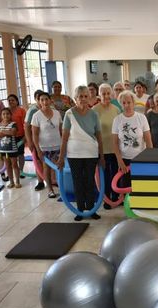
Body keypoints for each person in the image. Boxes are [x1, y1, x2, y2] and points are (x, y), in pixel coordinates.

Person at [58, 85, 104, 220]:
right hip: (74, 154)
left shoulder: (94, 114)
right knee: (77, 182)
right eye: (80, 97)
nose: (83, 99)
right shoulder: (69, 114)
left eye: (85, 96)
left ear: (89, 98)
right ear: (75, 98)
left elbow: (99, 136)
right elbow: (64, 137)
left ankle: (91, 209)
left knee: (90, 182)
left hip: (91, 153)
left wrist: (101, 156)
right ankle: (80, 210)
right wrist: (61, 157)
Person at [112, 90, 153, 188]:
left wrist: (149, 159)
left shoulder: (142, 118)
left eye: (129, 102)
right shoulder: (117, 120)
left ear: (133, 103)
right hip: (125, 160)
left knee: (141, 187)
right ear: (120, 104)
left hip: (141, 158)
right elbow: (114, 143)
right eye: (124, 103)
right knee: (126, 188)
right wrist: (120, 161)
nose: (126, 105)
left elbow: (148, 141)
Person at [93, 83, 121, 209]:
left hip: (115, 148)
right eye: (103, 93)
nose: (106, 96)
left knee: (115, 174)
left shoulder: (116, 109)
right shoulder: (94, 110)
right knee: (104, 175)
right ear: (99, 95)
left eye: (108, 93)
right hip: (101, 149)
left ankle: (115, 197)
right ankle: (107, 199)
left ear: (112, 94)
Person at [31, 92, 62, 198]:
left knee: (59, 167)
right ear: (39, 102)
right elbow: (34, 135)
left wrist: (64, 144)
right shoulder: (36, 116)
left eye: (46, 99)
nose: (44, 102)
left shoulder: (57, 113)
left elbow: (61, 130)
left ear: (50, 100)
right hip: (45, 147)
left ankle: (61, 188)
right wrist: (38, 150)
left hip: (58, 145)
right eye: (42, 100)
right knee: (47, 168)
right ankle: (50, 189)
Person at [24, 90, 46, 191]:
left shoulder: (49, 108)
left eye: (44, 99)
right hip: (36, 140)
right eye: (39, 99)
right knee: (38, 161)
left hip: (48, 140)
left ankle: (53, 181)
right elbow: (27, 126)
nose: (42, 101)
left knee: (49, 162)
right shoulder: (32, 110)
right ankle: (40, 181)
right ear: (36, 99)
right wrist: (30, 141)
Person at [0, 108, 20, 188]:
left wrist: (2, 132)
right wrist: (6, 132)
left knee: (14, 164)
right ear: (1, 116)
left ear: (10, 115)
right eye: (4, 114)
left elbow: (13, 132)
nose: (6, 115)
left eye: (7, 114)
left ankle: (17, 181)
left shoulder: (13, 124)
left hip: (12, 149)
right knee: (8, 165)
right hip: (3, 149)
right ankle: (11, 182)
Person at [6, 94, 26, 178]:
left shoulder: (21, 111)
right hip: (9, 137)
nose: (11, 102)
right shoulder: (6, 111)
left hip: (20, 136)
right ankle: (10, 173)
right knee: (9, 157)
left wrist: (25, 137)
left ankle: (21, 171)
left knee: (20, 154)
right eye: (9, 100)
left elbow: (25, 124)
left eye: (12, 100)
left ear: (17, 101)